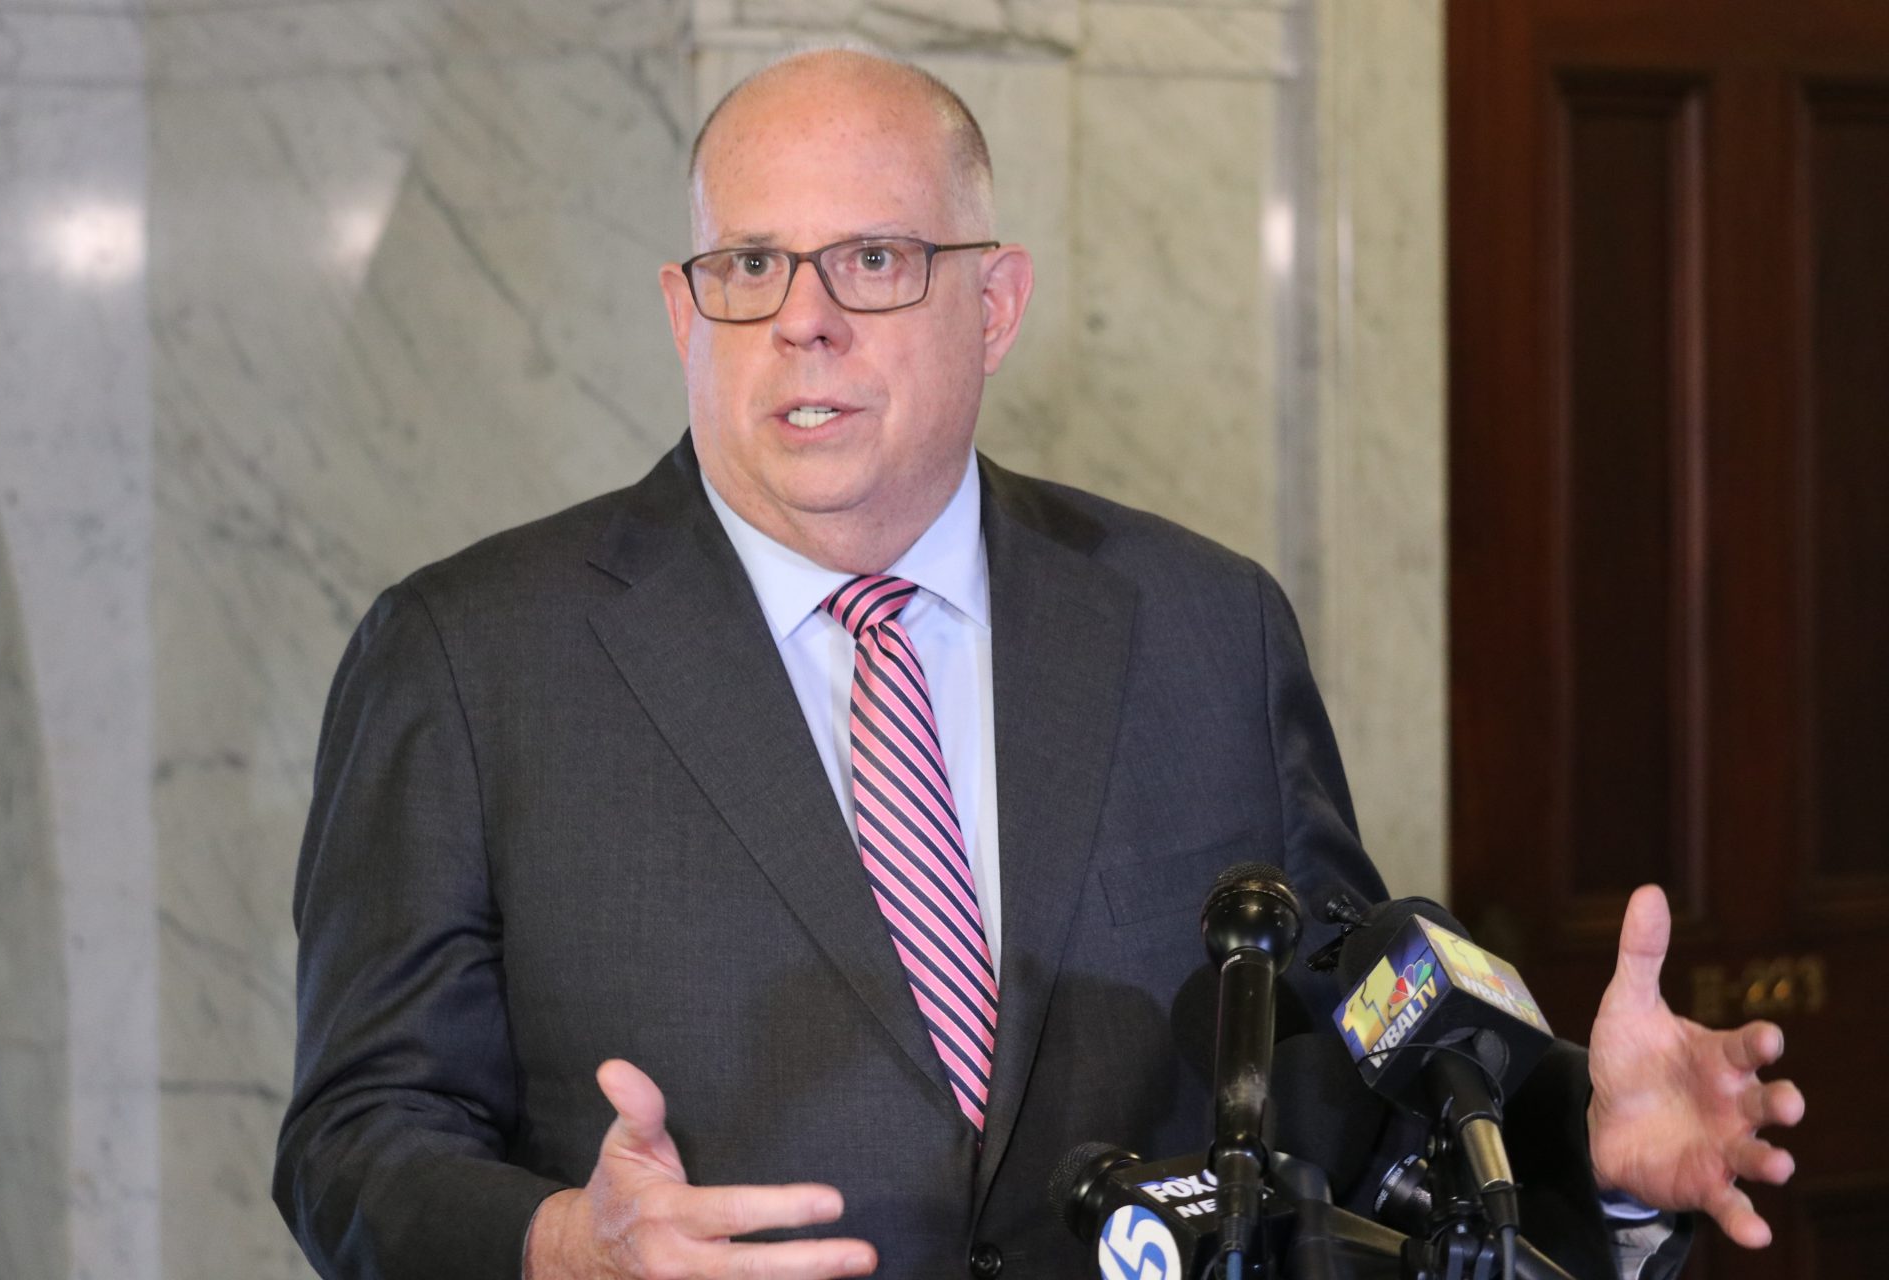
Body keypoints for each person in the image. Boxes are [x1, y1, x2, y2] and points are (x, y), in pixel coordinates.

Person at [274, 49, 1802, 1280]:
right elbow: (354, 1138)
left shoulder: (1203, 625)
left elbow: (1337, 1083)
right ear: (684, 309)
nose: (803, 323)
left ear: (992, 305)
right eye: (748, 263)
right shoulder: (470, 658)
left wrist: (1581, 1145)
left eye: (872, 259)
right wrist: (560, 1247)